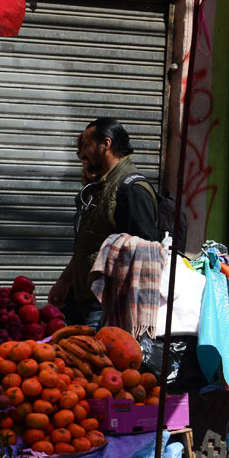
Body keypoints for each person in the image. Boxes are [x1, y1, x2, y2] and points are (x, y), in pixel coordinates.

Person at [47, 118, 160, 327]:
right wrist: (65, 281)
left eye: (87, 146)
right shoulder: (100, 187)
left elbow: (147, 256)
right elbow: (88, 247)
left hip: (106, 309)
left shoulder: (132, 189)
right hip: (81, 302)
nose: (82, 154)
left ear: (105, 144)